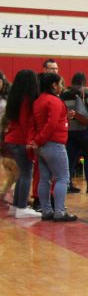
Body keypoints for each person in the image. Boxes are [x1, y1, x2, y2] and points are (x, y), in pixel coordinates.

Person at [31, 73, 75, 222]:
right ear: (54, 85)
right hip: (54, 144)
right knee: (62, 178)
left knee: (44, 178)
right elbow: (51, 125)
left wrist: (37, 141)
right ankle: (60, 212)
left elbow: (42, 122)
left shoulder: (38, 101)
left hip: (42, 147)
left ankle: (46, 210)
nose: (62, 87)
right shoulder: (54, 101)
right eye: (60, 84)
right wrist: (40, 139)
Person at [3, 71, 40, 218]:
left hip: (11, 139)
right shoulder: (26, 100)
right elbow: (26, 123)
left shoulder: (14, 98)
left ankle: (16, 206)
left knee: (21, 174)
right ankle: (21, 207)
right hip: (20, 140)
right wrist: (30, 142)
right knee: (26, 173)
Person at [61, 73, 88, 194]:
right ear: (84, 81)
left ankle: (68, 184)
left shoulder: (64, 94)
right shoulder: (86, 91)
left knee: (70, 158)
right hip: (85, 129)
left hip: (70, 130)